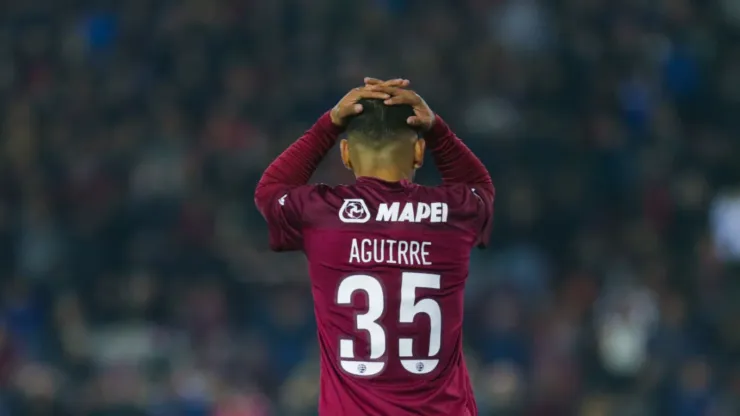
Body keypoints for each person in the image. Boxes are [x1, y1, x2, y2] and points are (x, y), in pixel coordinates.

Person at [254, 78, 494, 415]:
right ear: (419, 151)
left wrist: (329, 125)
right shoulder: (452, 211)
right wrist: (438, 130)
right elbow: (479, 188)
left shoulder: (321, 213)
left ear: (346, 154)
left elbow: (270, 190)